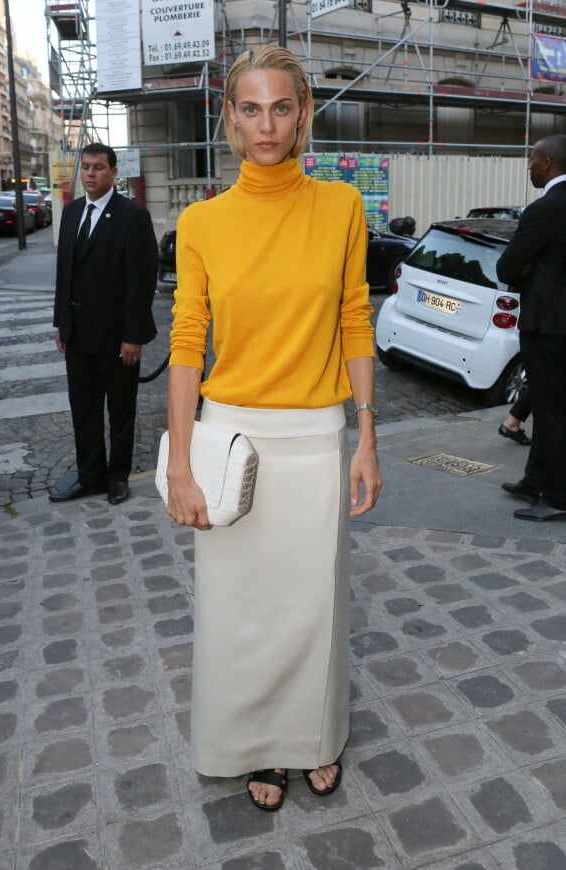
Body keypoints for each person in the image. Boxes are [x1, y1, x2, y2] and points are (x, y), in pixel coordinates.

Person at [165, 45, 382, 811]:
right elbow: (187, 339)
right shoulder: (201, 222)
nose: (268, 124)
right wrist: (182, 463)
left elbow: (356, 319)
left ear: (303, 113)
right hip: (231, 444)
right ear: (229, 118)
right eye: (250, 108)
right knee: (240, 615)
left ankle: (311, 740)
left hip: (317, 441)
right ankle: (253, 746)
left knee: (312, 611)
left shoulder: (341, 209)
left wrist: (367, 437)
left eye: (282, 107)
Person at [50, 143, 158, 506]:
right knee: (84, 408)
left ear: (114, 173)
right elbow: (64, 271)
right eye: (86, 168)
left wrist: (134, 336)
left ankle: (118, 476)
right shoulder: (72, 212)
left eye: (98, 167)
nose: (90, 174)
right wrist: (61, 323)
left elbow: (142, 281)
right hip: (78, 335)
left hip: (117, 338)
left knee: (121, 410)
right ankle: (89, 476)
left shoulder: (132, 216)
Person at [497, 134, 566, 522]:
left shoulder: (543, 210)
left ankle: (556, 496)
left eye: (533, 160)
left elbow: (507, 267)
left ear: (548, 164)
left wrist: (525, 271)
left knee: (552, 412)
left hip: (547, 326)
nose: (529, 167)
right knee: (547, 405)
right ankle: (534, 479)